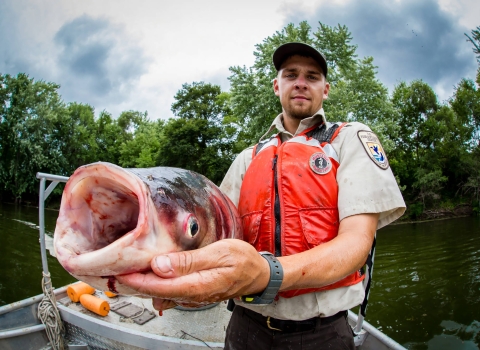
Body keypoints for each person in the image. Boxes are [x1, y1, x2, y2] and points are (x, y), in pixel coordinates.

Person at [117, 42, 406, 349]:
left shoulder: (350, 139)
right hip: (245, 328)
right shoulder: (247, 158)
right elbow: (213, 239)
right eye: (291, 74)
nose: (300, 83)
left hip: (322, 334)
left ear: (326, 89)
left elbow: (356, 244)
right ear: (276, 85)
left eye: (312, 76)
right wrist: (175, 279)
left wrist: (269, 274)